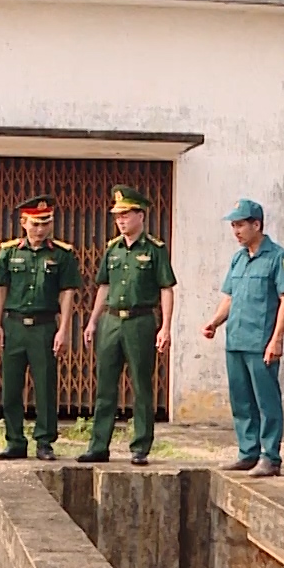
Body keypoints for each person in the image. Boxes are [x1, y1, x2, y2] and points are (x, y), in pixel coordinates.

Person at [80, 185, 176, 465]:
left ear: (140, 216)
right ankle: (99, 446)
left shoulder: (155, 249)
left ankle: (140, 447)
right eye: (117, 215)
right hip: (111, 320)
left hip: (141, 321)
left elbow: (166, 288)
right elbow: (104, 285)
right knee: (105, 387)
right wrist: (93, 320)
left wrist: (166, 326)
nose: (121, 220)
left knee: (142, 386)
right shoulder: (112, 249)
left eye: (126, 214)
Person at [201, 198, 284, 478]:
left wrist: (276, 340)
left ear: (257, 224)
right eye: (233, 225)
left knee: (266, 401)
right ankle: (247, 452)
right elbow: (230, 297)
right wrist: (215, 322)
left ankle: (270, 457)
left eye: (241, 225)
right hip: (236, 341)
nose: (236, 231)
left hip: (261, 343)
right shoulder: (238, 258)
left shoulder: (279, 257)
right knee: (241, 400)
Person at [0, 194, 83, 462]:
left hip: (44, 326)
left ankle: (45, 441)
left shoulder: (62, 254)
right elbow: (0, 288)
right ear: (23, 223)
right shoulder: (9, 252)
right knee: (11, 387)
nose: (40, 229)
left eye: (46, 223)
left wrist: (63, 329)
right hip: (14, 325)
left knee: (45, 386)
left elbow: (67, 293)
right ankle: (15, 441)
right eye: (35, 223)